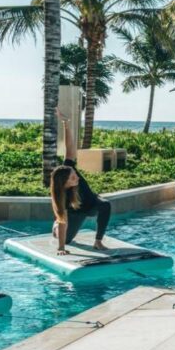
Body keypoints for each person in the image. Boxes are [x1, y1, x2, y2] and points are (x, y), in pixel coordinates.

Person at [50, 108, 111, 256]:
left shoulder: (69, 168)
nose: (76, 177)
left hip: (91, 204)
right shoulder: (61, 197)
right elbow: (64, 221)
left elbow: (69, 148)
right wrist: (61, 247)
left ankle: (98, 241)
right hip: (75, 214)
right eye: (72, 178)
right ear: (64, 183)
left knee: (105, 205)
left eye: (75, 174)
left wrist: (65, 123)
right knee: (66, 238)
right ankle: (55, 228)